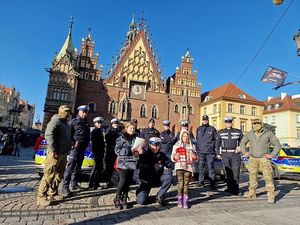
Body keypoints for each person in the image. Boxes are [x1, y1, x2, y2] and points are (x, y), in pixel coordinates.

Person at [36, 105, 72, 206]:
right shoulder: (55, 121)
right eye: (66, 111)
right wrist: (52, 150)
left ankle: (53, 192)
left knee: (59, 174)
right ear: (60, 111)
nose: (68, 114)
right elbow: (49, 134)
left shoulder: (65, 123)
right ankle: (41, 196)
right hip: (55, 153)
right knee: (49, 174)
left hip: (63, 153)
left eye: (68, 112)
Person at [240, 118, 281, 204]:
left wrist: (272, 155)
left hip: (264, 159)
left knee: (268, 176)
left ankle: (271, 195)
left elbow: (277, 145)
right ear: (252, 124)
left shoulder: (268, 133)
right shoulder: (249, 134)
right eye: (254, 123)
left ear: (261, 124)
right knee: (252, 176)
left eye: (258, 123)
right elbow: (242, 143)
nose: (256, 125)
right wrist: (245, 152)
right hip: (252, 158)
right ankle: (252, 192)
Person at [136, 137, 174, 206]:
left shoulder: (162, 156)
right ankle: (146, 196)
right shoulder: (143, 154)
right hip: (146, 181)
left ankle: (159, 196)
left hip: (157, 179)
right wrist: (138, 154)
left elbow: (171, 165)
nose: (155, 147)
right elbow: (136, 165)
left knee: (168, 177)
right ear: (150, 145)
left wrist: (176, 159)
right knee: (141, 201)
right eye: (153, 145)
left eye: (157, 145)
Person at [63, 105, 90, 197]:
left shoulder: (86, 122)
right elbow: (68, 135)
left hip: (82, 148)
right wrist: (72, 145)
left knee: (77, 167)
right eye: (83, 112)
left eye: (86, 112)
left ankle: (74, 184)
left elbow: (87, 136)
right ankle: (65, 187)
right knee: (70, 167)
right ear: (79, 111)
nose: (85, 113)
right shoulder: (74, 122)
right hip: (74, 148)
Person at [114, 121, 141, 210]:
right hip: (123, 162)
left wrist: (138, 153)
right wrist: (129, 150)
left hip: (132, 162)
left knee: (128, 181)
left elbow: (136, 152)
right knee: (123, 181)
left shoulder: (136, 138)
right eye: (130, 128)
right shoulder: (121, 137)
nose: (132, 130)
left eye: (133, 128)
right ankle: (117, 198)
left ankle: (124, 197)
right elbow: (117, 150)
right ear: (127, 128)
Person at [215, 117, 243, 195]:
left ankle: (235, 189)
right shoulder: (220, 132)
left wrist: (241, 148)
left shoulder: (238, 132)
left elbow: (243, 142)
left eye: (230, 123)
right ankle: (229, 188)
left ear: (232, 123)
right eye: (227, 123)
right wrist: (218, 153)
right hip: (225, 154)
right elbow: (217, 144)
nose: (228, 124)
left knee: (236, 172)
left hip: (235, 154)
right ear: (225, 123)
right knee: (228, 172)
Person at [171, 130, 198, 208]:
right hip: (179, 166)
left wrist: (194, 157)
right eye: (184, 136)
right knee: (180, 183)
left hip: (188, 167)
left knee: (186, 184)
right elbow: (172, 157)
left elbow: (196, 157)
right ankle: (179, 201)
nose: (185, 138)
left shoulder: (191, 145)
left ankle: (185, 201)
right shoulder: (177, 145)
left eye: (187, 136)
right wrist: (175, 157)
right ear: (181, 137)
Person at [196, 115, 217, 189]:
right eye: (204, 120)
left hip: (209, 152)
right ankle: (201, 182)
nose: (205, 121)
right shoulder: (199, 129)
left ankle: (212, 183)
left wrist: (213, 149)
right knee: (201, 167)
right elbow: (197, 140)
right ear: (202, 120)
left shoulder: (212, 129)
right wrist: (197, 150)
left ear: (208, 120)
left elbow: (216, 140)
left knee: (210, 167)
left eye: (206, 120)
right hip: (201, 151)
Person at [89, 117, 105, 189]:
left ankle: (95, 183)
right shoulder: (95, 131)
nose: (99, 124)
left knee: (98, 168)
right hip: (97, 152)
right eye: (98, 123)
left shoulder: (99, 131)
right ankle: (93, 184)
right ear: (95, 123)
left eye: (100, 123)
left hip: (100, 152)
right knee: (96, 168)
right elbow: (95, 143)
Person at [105, 117, 121, 187]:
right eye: (114, 124)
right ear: (112, 124)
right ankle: (108, 182)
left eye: (117, 124)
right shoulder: (109, 131)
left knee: (115, 168)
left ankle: (114, 181)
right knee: (109, 167)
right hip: (110, 152)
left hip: (116, 153)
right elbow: (108, 142)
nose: (116, 125)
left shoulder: (119, 132)